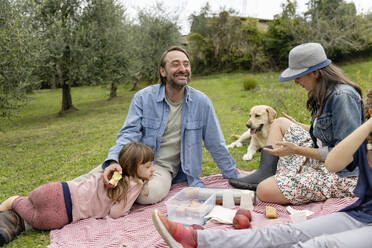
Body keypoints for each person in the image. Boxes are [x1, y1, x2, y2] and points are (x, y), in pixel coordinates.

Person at [151, 89, 372, 248]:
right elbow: (334, 162)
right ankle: (200, 240)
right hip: (365, 213)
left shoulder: (343, 96)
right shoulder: (366, 139)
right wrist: (367, 128)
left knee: (322, 244)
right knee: (288, 232)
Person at [101, 46, 238, 205]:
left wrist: (232, 175)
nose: (183, 69)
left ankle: (121, 188)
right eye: (175, 64)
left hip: (160, 169)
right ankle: (68, 194)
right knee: (100, 176)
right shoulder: (143, 98)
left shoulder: (201, 102)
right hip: (133, 161)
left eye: (186, 64)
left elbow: (215, 143)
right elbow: (128, 134)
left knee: (147, 195)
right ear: (163, 71)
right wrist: (114, 162)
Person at [229, 42, 363, 205]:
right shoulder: (323, 93)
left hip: (342, 174)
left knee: (264, 190)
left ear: (315, 72)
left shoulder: (343, 97)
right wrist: (300, 125)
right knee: (279, 123)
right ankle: (265, 172)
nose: (296, 81)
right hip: (322, 158)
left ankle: (273, 180)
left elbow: (344, 155)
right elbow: (326, 134)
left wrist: (297, 150)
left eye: (298, 76)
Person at [0, 142, 155, 246]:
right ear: (133, 167)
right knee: (35, 217)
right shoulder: (134, 184)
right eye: (148, 166)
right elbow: (115, 213)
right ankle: (14, 202)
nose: (153, 169)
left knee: (30, 204)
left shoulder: (114, 172)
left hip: (59, 189)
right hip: (64, 212)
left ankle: (13, 205)